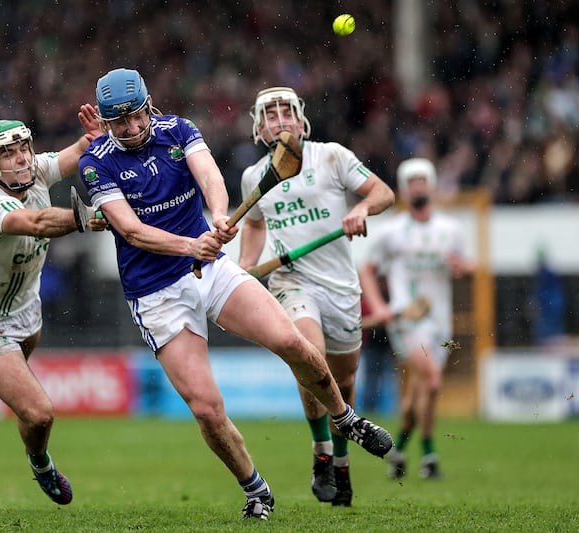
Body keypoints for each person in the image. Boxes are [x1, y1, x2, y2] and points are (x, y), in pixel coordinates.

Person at [78, 68, 393, 520]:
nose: (129, 129)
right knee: (207, 409)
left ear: (149, 106)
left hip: (211, 269)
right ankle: (256, 490)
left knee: (291, 343)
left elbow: (208, 175)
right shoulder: (98, 162)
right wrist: (191, 244)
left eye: (135, 117)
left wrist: (220, 217)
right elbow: (130, 229)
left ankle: (345, 420)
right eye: (118, 123)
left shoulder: (178, 129)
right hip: (157, 293)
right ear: (107, 124)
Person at [0, 111, 108, 505]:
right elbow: (38, 222)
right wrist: (87, 217)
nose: (23, 158)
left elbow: (79, 151)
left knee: (26, 395)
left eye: (24, 148)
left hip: (28, 309)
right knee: (39, 413)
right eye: (9, 154)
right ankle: (41, 464)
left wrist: (96, 138)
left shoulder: (37, 171)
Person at [236, 87, 396, 507]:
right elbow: (253, 225)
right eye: (270, 114)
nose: (279, 119)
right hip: (291, 280)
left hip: (340, 286)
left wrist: (361, 210)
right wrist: (244, 269)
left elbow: (383, 193)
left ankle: (340, 463)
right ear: (259, 126)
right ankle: (321, 450)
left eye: (286, 111)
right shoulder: (255, 176)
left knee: (343, 380)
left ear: (300, 118)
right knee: (310, 355)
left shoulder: (332, 156)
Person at [359, 157, 474, 480]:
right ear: (403, 189)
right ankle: (429, 455)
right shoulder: (392, 232)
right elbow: (367, 270)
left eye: (423, 180)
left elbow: (469, 268)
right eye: (412, 182)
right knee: (433, 380)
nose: (418, 186)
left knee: (417, 394)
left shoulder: (450, 230)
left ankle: (398, 454)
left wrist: (461, 269)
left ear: (432, 185)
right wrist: (379, 305)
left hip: (439, 321)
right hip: (406, 320)